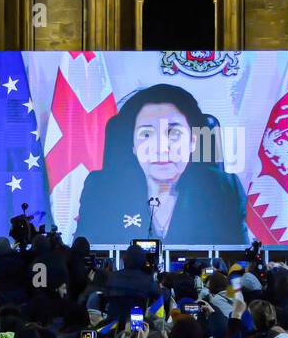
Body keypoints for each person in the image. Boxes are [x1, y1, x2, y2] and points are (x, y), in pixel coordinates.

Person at [74, 84, 247, 244]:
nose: (161, 148)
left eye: (174, 133)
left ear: (193, 142)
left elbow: (237, 258)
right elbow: (86, 255)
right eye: (147, 134)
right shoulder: (101, 190)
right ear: (133, 146)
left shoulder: (224, 189)